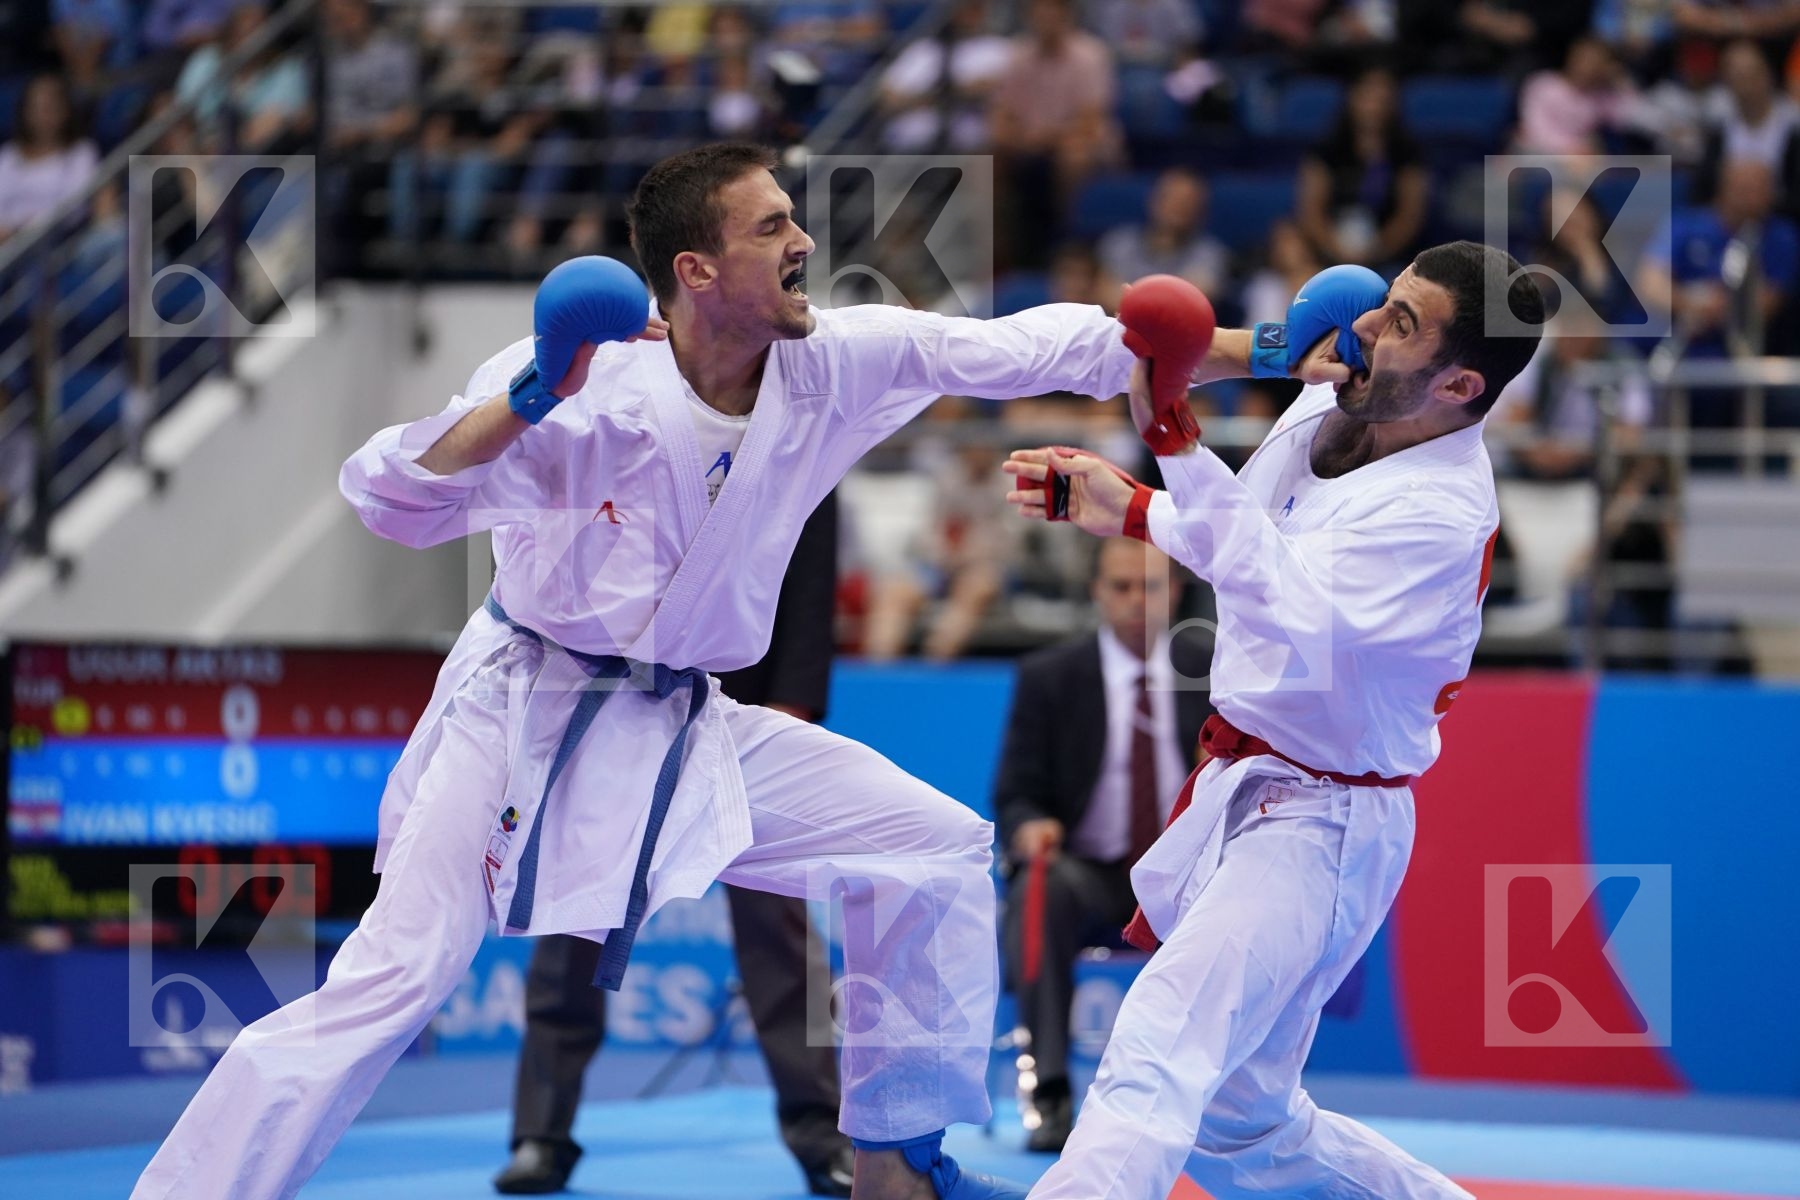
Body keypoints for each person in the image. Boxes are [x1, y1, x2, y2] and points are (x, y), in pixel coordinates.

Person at [130, 141, 1143, 1200]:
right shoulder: (588, 382)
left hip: (681, 721)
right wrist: (529, 395)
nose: (804, 242)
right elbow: (392, 498)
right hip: (522, 709)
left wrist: (1244, 346)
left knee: (931, 847)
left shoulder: (830, 362)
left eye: (795, 220)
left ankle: (897, 1165)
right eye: (770, 228)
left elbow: (1024, 349)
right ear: (695, 270)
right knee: (396, 975)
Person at [1001, 243, 1544, 1198]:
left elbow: (1282, 598)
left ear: (1461, 383)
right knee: (1240, 1127)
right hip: (1250, 786)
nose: (1369, 327)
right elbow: (1245, 532)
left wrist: (1168, 442)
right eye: (1387, 302)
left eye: (1404, 325)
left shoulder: (1439, 513)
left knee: (1160, 1041)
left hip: (1324, 820)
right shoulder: (1340, 401)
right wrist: (1130, 509)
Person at [495, 495, 854, 1197]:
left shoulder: (795, 418)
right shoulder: (634, 413)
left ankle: (820, 1135)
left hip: (747, 712)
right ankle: (541, 1132)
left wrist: (793, 708)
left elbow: (808, 585)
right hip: (615, 703)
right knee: (574, 918)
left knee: (777, 929)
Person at [993, 536, 1211, 1152]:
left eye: (1151, 587)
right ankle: (1051, 1088)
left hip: (1188, 874)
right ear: (1097, 592)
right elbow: (1015, 793)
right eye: (1121, 587)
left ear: (1176, 592)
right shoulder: (1051, 677)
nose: (1136, 602)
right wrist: (1031, 824)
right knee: (1041, 886)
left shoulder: (1220, 667)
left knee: (1251, 888)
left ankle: (1222, 1099)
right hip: (1087, 872)